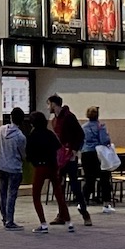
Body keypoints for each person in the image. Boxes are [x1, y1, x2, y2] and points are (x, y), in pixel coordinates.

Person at [47, 94, 92, 227]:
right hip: (60, 157)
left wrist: (74, 150)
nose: (48, 107)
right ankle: (61, 214)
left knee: (74, 186)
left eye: (49, 104)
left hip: (70, 156)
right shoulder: (55, 120)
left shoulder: (69, 117)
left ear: (54, 104)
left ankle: (85, 213)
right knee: (59, 186)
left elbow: (80, 134)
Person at [25, 110, 71, 233]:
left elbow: (29, 154)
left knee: (36, 195)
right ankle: (69, 222)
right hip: (52, 166)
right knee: (59, 194)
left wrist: (34, 161)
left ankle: (43, 223)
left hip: (40, 166)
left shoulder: (32, 136)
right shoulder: (50, 134)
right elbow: (58, 147)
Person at [0, 108, 27, 229]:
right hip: (14, 168)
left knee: (3, 193)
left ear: (10, 117)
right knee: (11, 194)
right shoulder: (20, 137)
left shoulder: (1, 130)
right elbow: (23, 154)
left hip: (1, 165)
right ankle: (10, 220)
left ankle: (4, 218)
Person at [81, 105, 116, 212]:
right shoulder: (101, 126)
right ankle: (106, 205)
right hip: (98, 155)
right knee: (104, 179)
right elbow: (104, 140)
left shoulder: (83, 127)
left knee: (89, 179)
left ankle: (82, 202)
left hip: (86, 154)